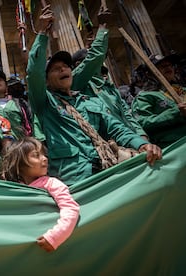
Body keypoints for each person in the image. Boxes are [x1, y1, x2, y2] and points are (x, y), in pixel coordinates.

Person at [26, 5, 162, 185]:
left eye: (66, 66)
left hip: (107, 167)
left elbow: (116, 128)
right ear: (46, 81)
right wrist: (42, 33)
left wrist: (140, 144)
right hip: (75, 176)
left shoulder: (90, 101)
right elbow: (34, 72)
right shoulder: (45, 103)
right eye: (55, 69)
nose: (63, 69)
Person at [0, 137, 79, 252]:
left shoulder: (52, 184)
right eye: (36, 155)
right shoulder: (13, 188)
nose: (45, 159)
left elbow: (71, 208)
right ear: (20, 164)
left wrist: (55, 236)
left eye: (44, 154)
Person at [71, 26, 148, 140]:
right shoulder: (78, 83)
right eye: (95, 59)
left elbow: (125, 113)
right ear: (79, 64)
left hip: (131, 138)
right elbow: (94, 57)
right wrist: (103, 30)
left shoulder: (109, 86)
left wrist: (141, 134)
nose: (100, 61)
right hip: (110, 143)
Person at [131, 54, 186, 148]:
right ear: (149, 73)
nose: (168, 68)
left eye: (170, 65)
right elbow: (143, 123)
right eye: (162, 66)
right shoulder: (145, 97)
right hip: (174, 146)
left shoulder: (182, 90)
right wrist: (176, 113)